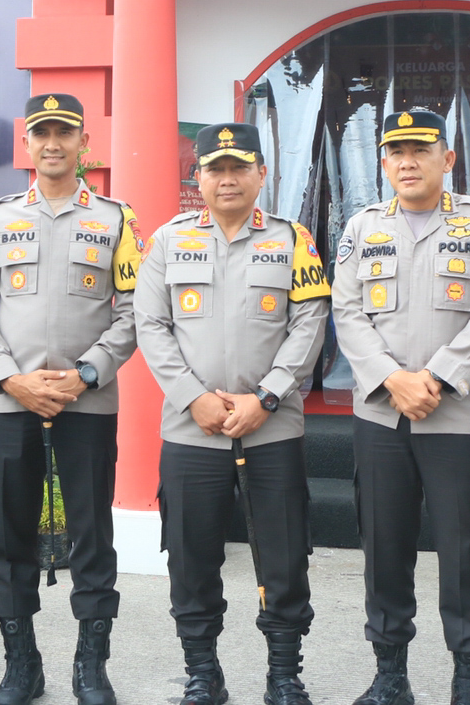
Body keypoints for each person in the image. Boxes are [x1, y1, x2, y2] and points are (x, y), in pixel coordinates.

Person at [135, 122, 330, 705]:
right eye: (214, 168)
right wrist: (192, 395)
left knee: (285, 555)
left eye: (239, 167)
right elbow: (151, 326)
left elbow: (310, 323)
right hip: (191, 430)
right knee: (192, 558)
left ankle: (284, 675)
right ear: (198, 176)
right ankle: (202, 673)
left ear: (261, 173)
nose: (226, 178)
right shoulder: (167, 242)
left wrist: (266, 397)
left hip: (272, 428)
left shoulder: (294, 239)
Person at [332, 109, 470, 705]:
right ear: (384, 162)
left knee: (466, 550)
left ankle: (469, 679)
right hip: (381, 415)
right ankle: (391, 675)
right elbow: (347, 312)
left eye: (420, 150)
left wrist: (435, 377)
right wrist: (393, 379)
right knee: (384, 545)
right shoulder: (361, 228)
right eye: (396, 152)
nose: (407, 162)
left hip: (455, 415)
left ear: (448, 158)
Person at [0, 94, 144, 705]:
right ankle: (22, 664)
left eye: (64, 132)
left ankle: (90, 664)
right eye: (41, 133)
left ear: (82, 142)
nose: (52, 144)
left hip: (86, 402)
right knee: (11, 534)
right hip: (15, 402)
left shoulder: (117, 219)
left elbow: (133, 312)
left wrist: (86, 375)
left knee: (91, 533)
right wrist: (11, 379)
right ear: (28, 143)